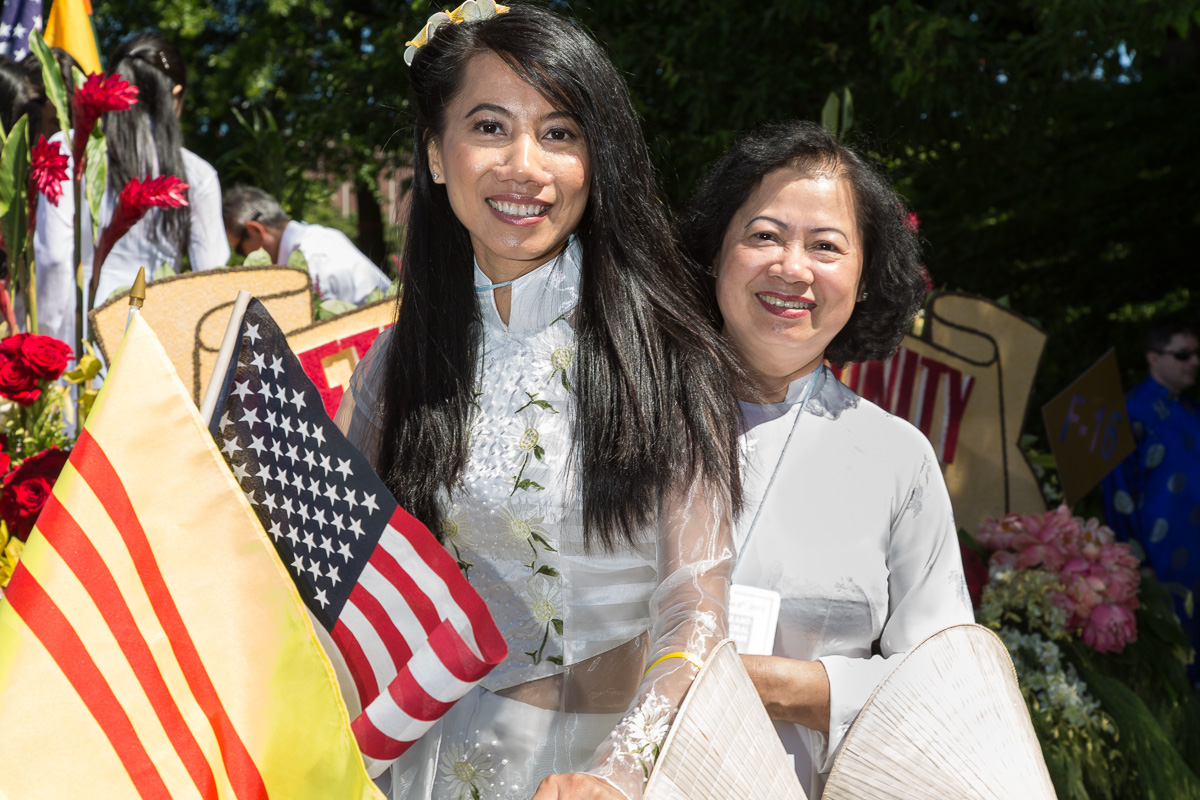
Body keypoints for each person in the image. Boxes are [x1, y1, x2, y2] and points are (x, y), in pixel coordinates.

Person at [335, 3, 743, 799]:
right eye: (490, 127)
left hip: (619, 768)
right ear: (438, 155)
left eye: (560, 133)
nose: (527, 166)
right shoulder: (398, 362)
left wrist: (618, 774)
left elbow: (696, 611)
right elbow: (343, 578)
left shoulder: (669, 354)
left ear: (598, 162)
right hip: (428, 765)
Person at [680, 120, 974, 799]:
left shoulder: (898, 458)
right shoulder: (629, 421)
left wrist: (764, 683)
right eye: (763, 235)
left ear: (866, 276)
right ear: (714, 252)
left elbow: (946, 683)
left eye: (826, 246)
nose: (792, 267)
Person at [34, 33, 229, 348]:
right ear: (175, 94)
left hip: (77, 339)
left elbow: (55, 258)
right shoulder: (199, 175)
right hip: (157, 348)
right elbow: (213, 281)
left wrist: (50, 348)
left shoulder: (67, 148)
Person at [1102, 319, 1200, 677]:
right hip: (1160, 562)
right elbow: (1118, 493)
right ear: (1154, 358)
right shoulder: (1129, 412)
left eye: (1196, 354)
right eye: (1183, 354)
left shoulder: (1193, 411)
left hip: (1197, 557)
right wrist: (1134, 560)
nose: (1194, 362)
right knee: (1172, 659)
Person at [221, 185, 392, 304]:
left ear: (256, 230)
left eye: (240, 250)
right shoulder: (316, 239)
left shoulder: (309, 259)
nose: (244, 259)